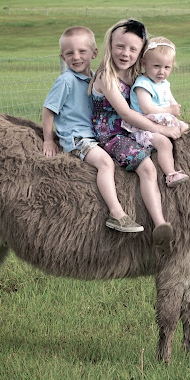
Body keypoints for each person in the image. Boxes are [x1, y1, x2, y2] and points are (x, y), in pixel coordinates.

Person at [89, 19, 182, 252]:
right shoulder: (107, 77)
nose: (125, 53)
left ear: (141, 53)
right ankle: (159, 223)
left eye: (133, 49)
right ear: (110, 45)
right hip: (113, 135)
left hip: (133, 131)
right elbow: (127, 114)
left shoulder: (134, 76)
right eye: (120, 46)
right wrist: (162, 129)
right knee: (147, 168)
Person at [42, 26, 143, 233]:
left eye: (82, 51)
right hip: (77, 137)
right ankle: (116, 214)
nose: (76, 57)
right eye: (70, 53)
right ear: (62, 57)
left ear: (94, 53)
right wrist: (48, 139)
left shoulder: (97, 78)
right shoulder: (66, 81)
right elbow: (48, 110)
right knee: (106, 163)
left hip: (95, 135)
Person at [122, 36, 190, 187]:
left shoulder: (163, 83)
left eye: (167, 67)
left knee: (185, 128)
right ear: (144, 64)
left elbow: (170, 99)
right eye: (157, 66)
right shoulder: (143, 84)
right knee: (164, 143)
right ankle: (170, 174)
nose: (161, 72)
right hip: (145, 126)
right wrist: (169, 110)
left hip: (160, 120)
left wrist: (174, 106)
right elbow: (147, 108)